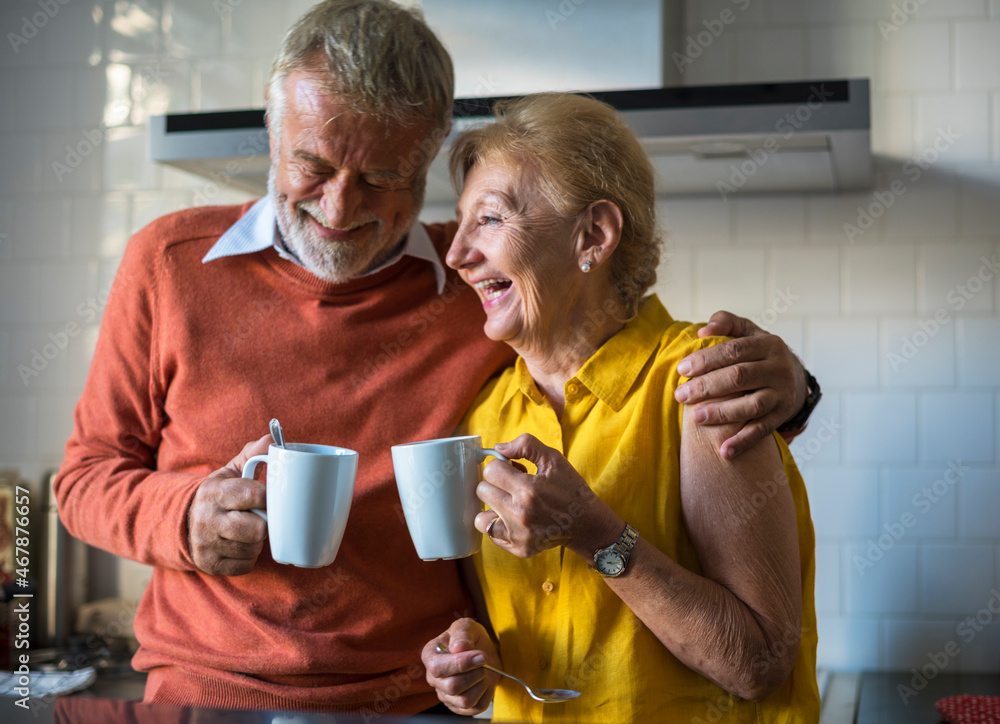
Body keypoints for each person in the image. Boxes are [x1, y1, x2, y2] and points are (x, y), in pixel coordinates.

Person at [54, 0, 816, 715]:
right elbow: (84, 478)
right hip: (206, 692)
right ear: (275, 125)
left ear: (426, 159)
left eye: (383, 177)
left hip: (411, 702)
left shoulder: (479, 291)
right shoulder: (170, 261)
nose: (341, 207)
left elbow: (619, 344)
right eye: (314, 166)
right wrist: (183, 516)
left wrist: (794, 389)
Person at [420, 93, 820, 723]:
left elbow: (759, 663)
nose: (457, 254)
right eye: (461, 221)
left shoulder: (700, 384)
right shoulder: (482, 416)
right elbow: (509, 632)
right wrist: (470, 661)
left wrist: (593, 532)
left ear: (593, 236)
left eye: (490, 220)